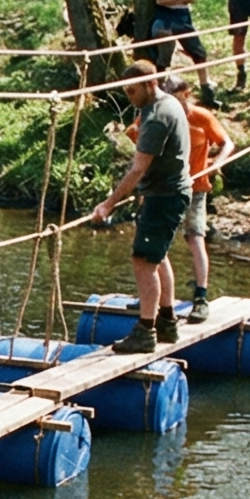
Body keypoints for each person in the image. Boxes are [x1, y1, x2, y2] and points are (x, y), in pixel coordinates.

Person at [92, 62, 189, 355]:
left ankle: (146, 331)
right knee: (157, 256)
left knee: (143, 260)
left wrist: (107, 205)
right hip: (169, 192)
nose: (129, 97)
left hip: (165, 196)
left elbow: (137, 169)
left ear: (150, 84)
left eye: (133, 91)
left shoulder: (158, 116)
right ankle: (167, 322)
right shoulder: (168, 102)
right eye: (126, 91)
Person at [160, 72, 228, 306]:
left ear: (186, 95)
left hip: (196, 187)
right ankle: (157, 293)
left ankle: (201, 295)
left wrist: (215, 163)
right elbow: (137, 135)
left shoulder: (201, 117)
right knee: (158, 239)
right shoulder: (160, 114)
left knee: (195, 236)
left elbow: (226, 143)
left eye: (174, 97)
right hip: (166, 187)